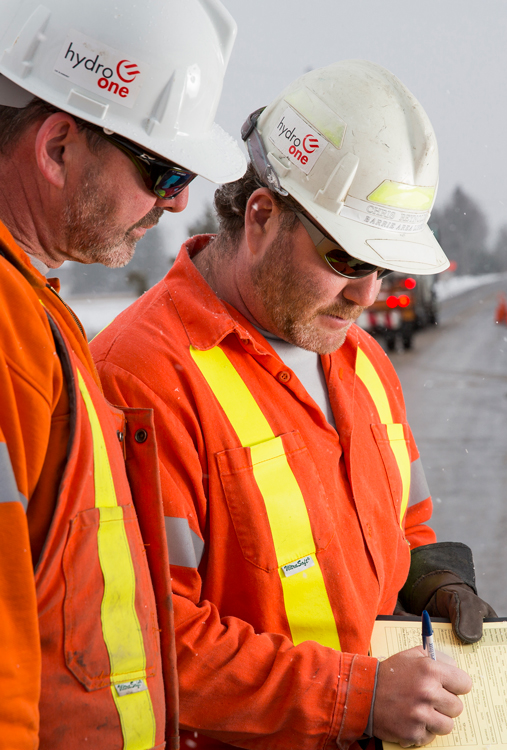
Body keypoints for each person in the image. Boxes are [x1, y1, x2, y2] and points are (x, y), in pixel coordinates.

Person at [92, 60, 496, 750]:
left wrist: (427, 578)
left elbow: (404, 525)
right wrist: (357, 695)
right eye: (345, 259)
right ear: (260, 216)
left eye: (383, 267)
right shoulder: (143, 377)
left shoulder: (361, 362)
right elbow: (141, 643)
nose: (367, 295)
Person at [0, 0, 245, 747]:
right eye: (162, 170)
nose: (177, 201)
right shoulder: (10, 335)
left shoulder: (37, 312)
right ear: (58, 147)